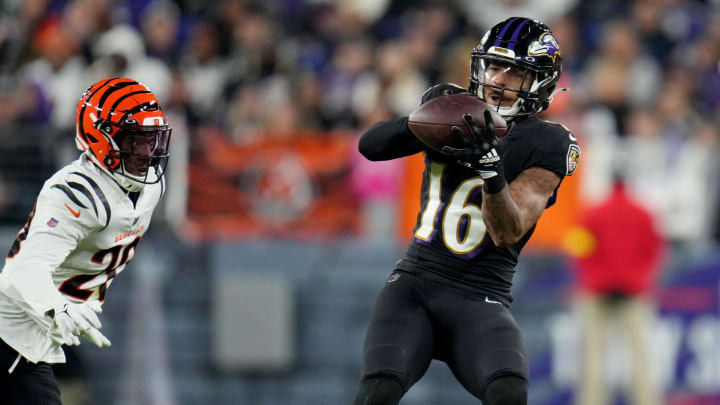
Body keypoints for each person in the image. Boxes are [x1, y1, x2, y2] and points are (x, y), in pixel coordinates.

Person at [353, 17, 580, 405]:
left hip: (480, 296)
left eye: (516, 73)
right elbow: (371, 146)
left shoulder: (548, 143)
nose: (500, 80)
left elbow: (508, 230)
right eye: (494, 66)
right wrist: (424, 123)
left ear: (540, 82)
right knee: (379, 389)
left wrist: (491, 172)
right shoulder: (451, 105)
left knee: (508, 390)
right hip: (414, 286)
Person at [0, 78, 172, 404]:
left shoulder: (151, 188)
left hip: (35, 342)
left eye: (151, 140)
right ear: (99, 137)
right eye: (133, 140)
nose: (146, 154)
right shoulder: (78, 193)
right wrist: (59, 305)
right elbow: (23, 270)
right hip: (10, 333)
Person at [566, 178, 664, 405]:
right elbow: (653, 251)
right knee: (640, 358)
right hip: (634, 291)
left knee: (592, 358)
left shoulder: (593, 212)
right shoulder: (643, 213)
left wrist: (598, 278)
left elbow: (580, 249)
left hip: (597, 291)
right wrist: (635, 278)